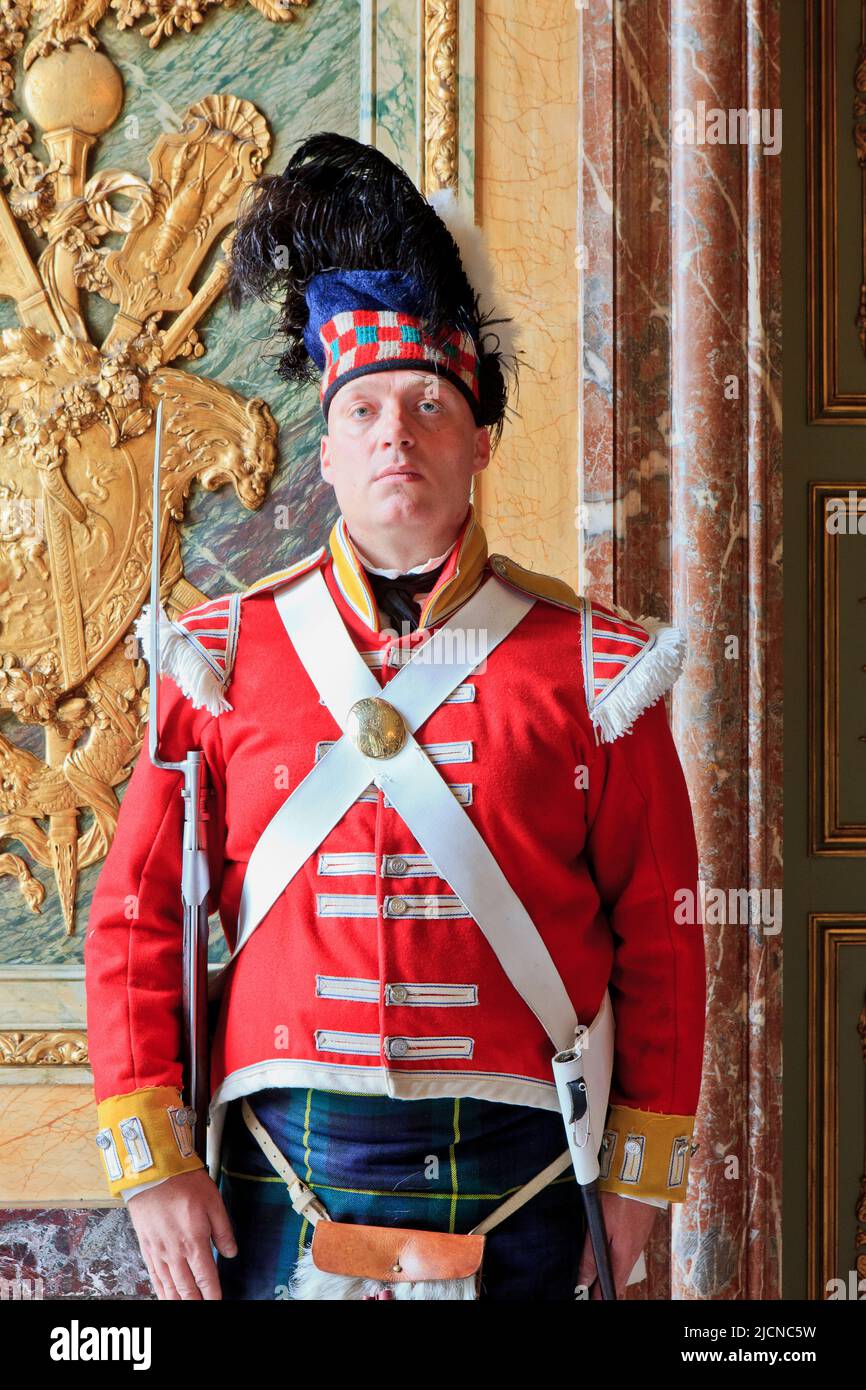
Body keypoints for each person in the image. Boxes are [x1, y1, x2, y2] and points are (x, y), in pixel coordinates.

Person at [84, 132, 706, 1301]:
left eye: (428, 404)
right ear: (326, 449)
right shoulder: (216, 655)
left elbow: (662, 939)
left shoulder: (597, 666)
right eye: (364, 409)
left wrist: (634, 1177)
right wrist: (152, 1161)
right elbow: (134, 923)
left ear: (478, 443)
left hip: (525, 1166)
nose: (395, 434)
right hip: (282, 1164)